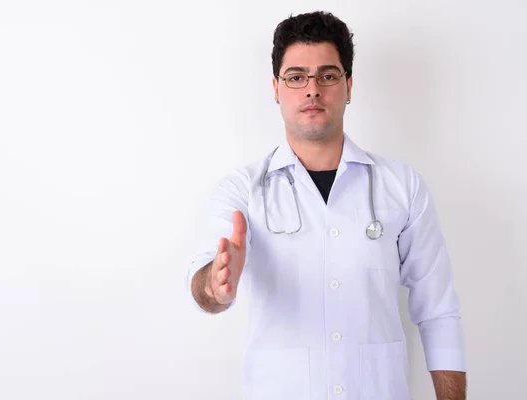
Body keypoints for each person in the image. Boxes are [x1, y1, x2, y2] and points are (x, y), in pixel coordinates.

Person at [185, 10, 467, 400]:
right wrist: (215, 285)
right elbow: (202, 286)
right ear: (276, 88)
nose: (312, 89)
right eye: (297, 77)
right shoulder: (242, 190)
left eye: (328, 75)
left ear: (349, 86)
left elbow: (438, 311)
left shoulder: (402, 186)